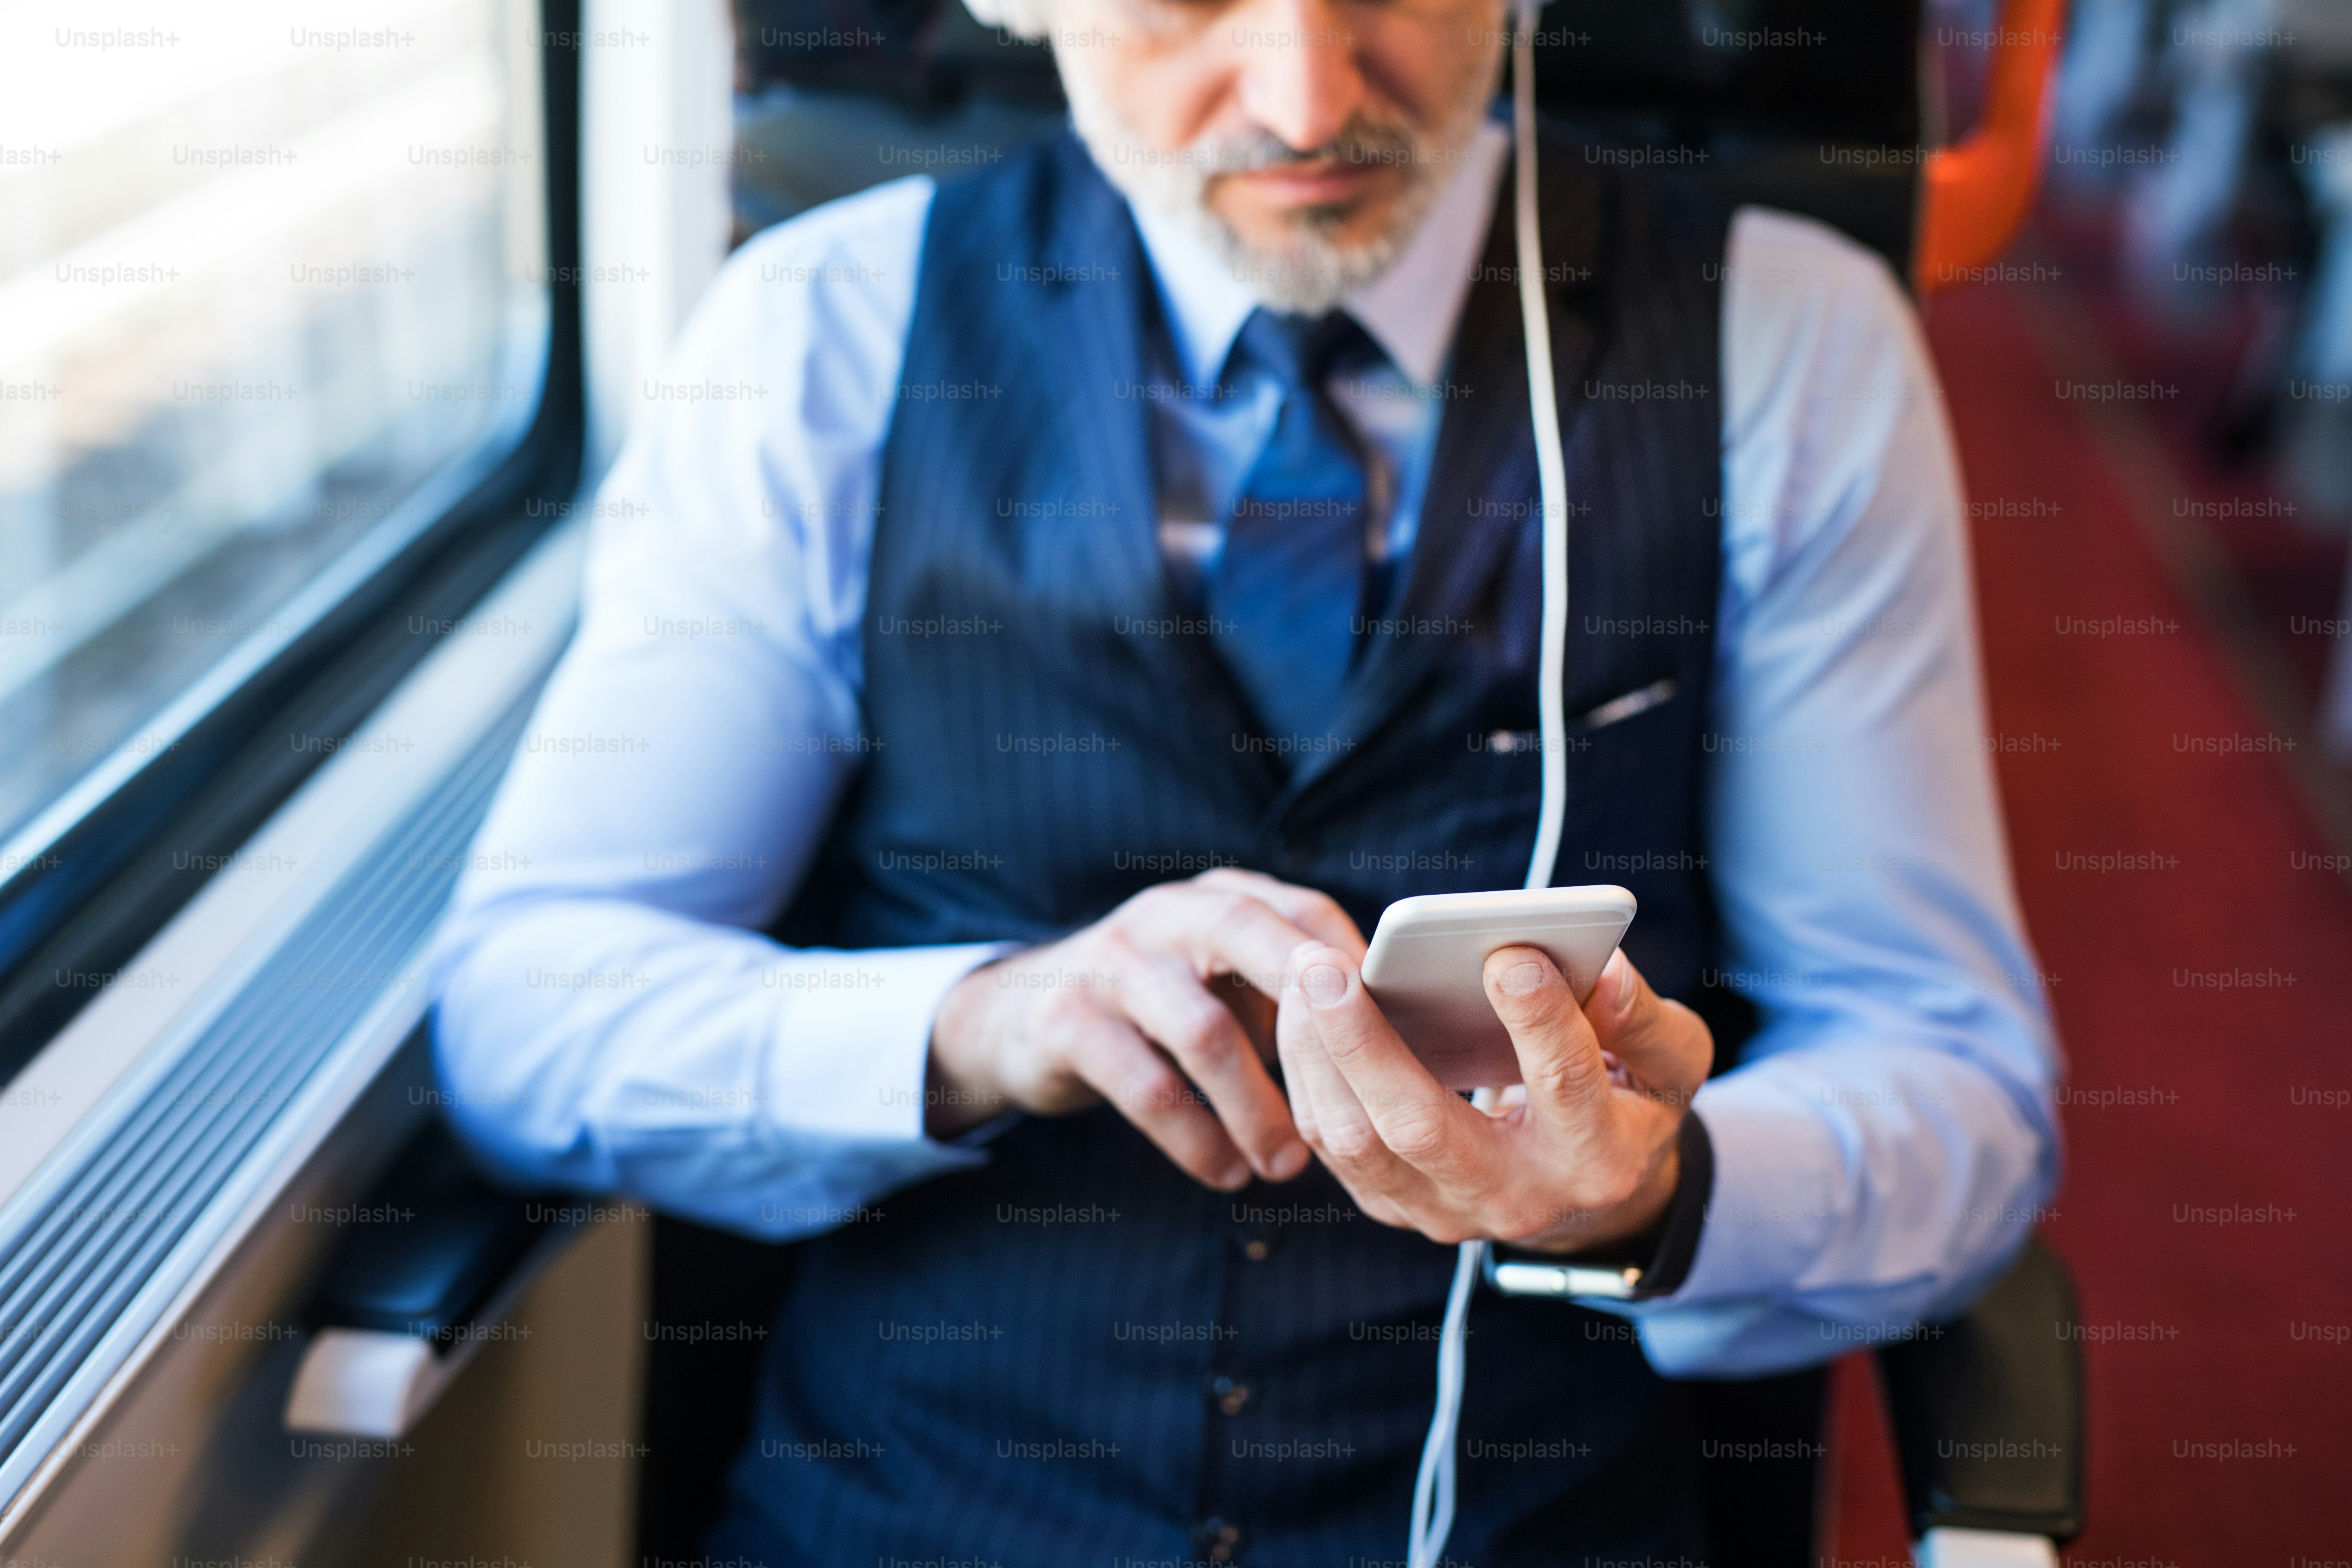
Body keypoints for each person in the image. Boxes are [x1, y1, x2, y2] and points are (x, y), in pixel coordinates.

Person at [429, 0, 2059, 1554]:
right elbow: (531, 1009)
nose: (1303, 99)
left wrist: (1651, 1198)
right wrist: (982, 1025)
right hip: (911, 1512)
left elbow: (1957, 1085)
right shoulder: (815, 338)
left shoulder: (1792, 347)